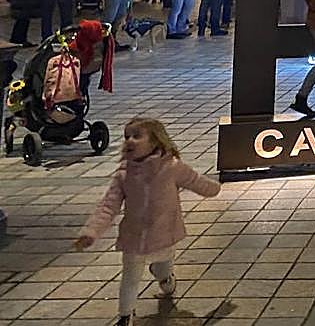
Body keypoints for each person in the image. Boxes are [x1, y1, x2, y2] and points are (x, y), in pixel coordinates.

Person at [75, 118, 220, 326]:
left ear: (155, 142)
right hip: (133, 237)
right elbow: (109, 205)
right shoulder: (124, 174)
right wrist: (91, 232)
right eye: (126, 137)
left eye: (136, 136)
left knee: (163, 269)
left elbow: (195, 181)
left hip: (164, 235)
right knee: (130, 278)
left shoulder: (171, 167)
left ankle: (166, 279)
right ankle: (125, 316)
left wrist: (215, 188)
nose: (130, 141)